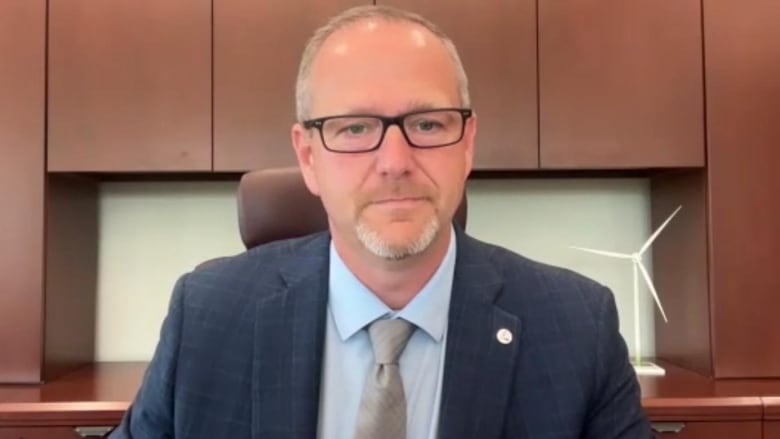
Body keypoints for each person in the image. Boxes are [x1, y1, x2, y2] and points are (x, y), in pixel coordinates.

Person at [111, 5, 652, 439]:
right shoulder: (206, 315)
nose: (395, 161)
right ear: (307, 157)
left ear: (467, 145)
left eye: (428, 122)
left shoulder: (577, 328)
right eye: (353, 128)